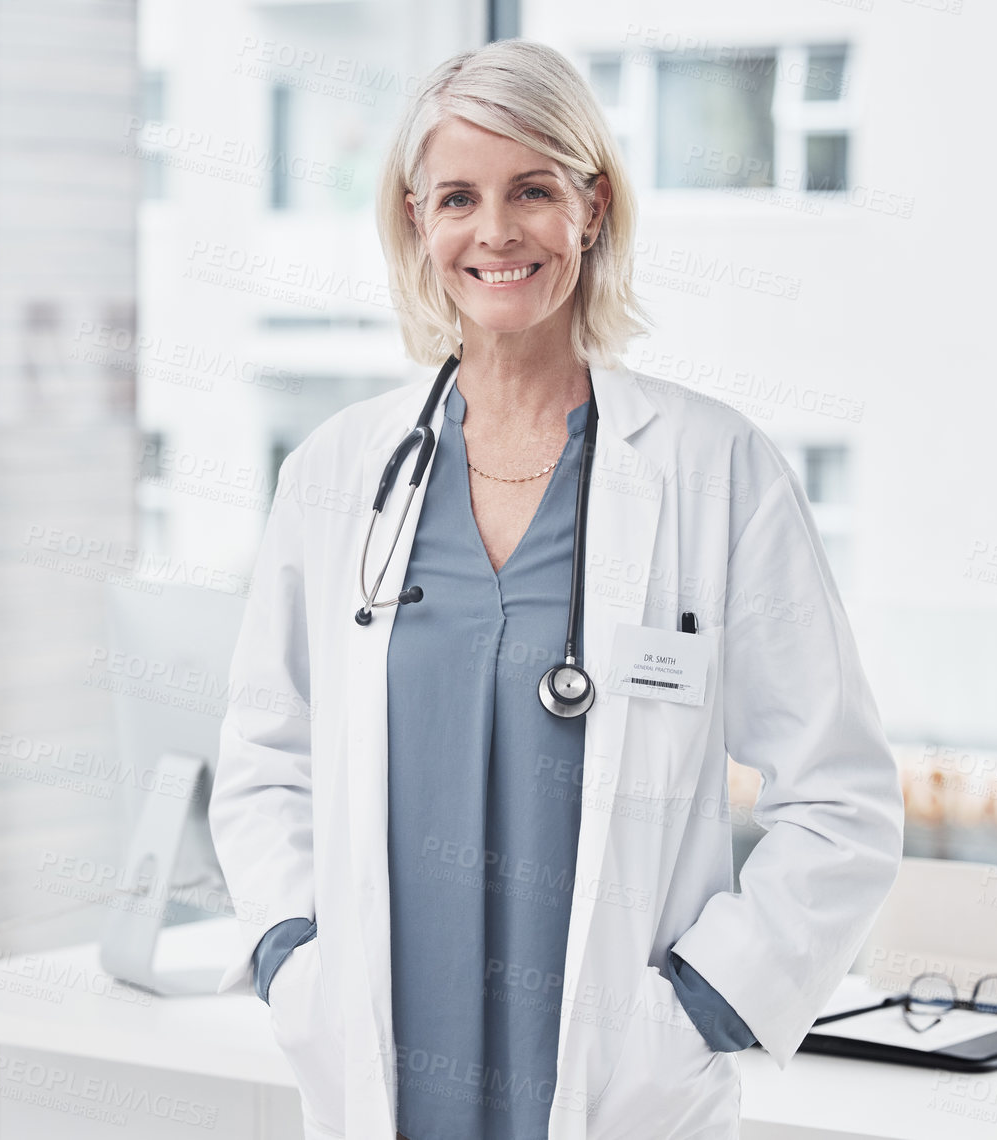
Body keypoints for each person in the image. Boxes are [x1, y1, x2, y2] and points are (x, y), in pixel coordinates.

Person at [207, 38, 904, 1140]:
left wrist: (704, 1005)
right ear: (414, 219)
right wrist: (295, 959)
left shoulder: (712, 469)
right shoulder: (339, 476)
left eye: (532, 190)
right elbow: (262, 762)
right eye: (458, 198)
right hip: (381, 1069)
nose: (495, 232)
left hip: (616, 1086)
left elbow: (841, 800)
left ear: (591, 206)